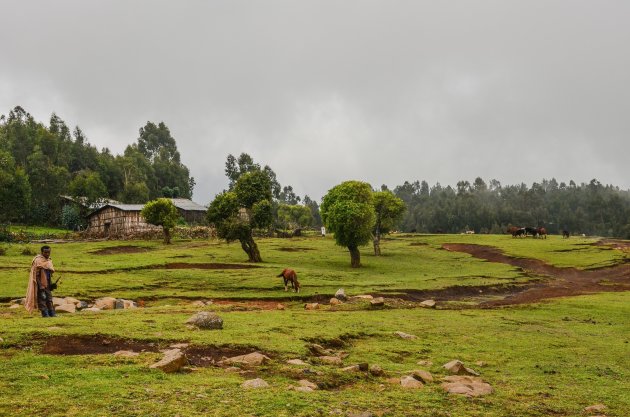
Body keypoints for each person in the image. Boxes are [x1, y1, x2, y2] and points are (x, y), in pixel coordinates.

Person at [25, 245, 56, 317]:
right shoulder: (38, 260)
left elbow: (49, 274)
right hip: (40, 284)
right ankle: (45, 314)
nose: (47, 254)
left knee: (49, 298)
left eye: (48, 252)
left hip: (47, 283)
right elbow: (36, 275)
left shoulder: (49, 260)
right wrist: (40, 285)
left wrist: (51, 284)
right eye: (45, 252)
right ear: (42, 252)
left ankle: (52, 314)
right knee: (42, 299)